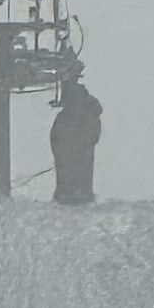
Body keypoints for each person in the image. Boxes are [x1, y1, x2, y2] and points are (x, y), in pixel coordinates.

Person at [50, 64, 103, 206]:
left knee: (73, 171)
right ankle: (75, 193)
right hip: (75, 150)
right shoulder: (86, 111)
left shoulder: (79, 112)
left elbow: (56, 138)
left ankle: (72, 193)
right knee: (77, 172)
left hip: (74, 150)